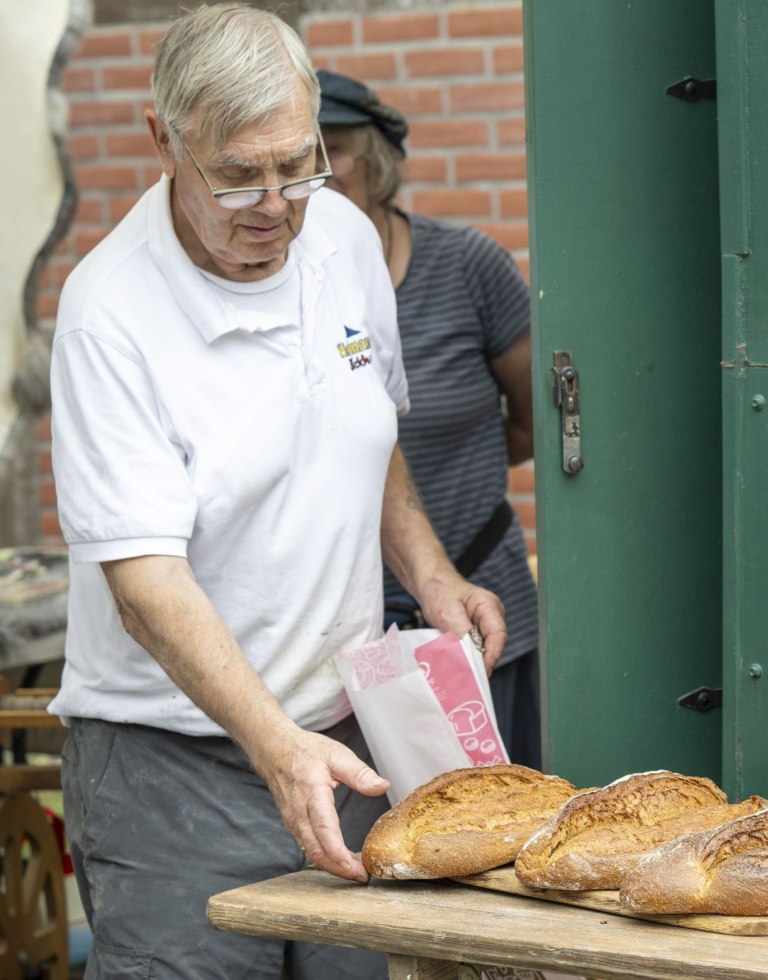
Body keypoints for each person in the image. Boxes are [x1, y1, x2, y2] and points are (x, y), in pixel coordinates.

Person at [47, 6, 507, 977]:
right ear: (162, 141)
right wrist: (276, 742)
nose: (275, 204)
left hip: (342, 743)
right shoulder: (109, 315)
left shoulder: (338, 236)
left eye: (298, 166)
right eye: (239, 176)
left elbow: (361, 426)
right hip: (172, 766)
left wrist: (429, 573)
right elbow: (145, 584)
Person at [314, 70, 542, 770]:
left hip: (477, 608)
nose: (316, 173)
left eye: (335, 149)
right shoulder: (291, 291)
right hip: (347, 635)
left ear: (378, 161)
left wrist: (450, 473)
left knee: (500, 822)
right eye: (301, 155)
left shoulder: (467, 265)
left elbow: (536, 416)